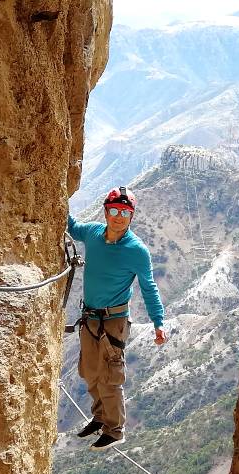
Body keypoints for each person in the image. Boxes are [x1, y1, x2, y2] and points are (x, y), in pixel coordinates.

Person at [67, 186, 167, 451]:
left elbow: (149, 287)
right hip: (89, 316)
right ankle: (100, 417)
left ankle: (115, 429)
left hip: (114, 321)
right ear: (106, 212)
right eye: (114, 210)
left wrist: (159, 321)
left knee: (110, 376)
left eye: (125, 212)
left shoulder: (137, 250)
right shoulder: (92, 233)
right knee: (89, 371)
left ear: (131, 216)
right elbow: (72, 227)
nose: (118, 216)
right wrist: (58, 197)